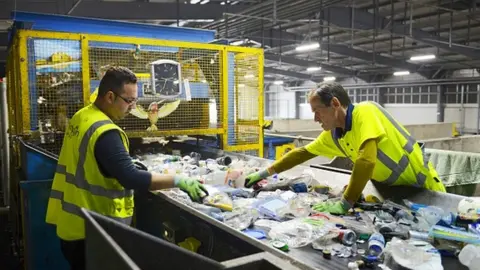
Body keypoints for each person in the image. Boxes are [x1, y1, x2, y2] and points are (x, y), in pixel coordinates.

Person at [45, 66, 207, 270]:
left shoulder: (83, 116)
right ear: (110, 97)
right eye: (129, 101)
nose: (133, 107)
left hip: (73, 225)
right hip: (94, 233)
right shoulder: (105, 132)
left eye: (135, 101)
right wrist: (178, 180)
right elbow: (131, 178)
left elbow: (94, 163)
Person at [245, 82, 446, 214]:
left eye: (317, 111)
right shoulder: (336, 135)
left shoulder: (366, 111)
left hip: (425, 191)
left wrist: (345, 203)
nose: (315, 118)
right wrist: (265, 172)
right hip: (394, 194)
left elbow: (366, 161)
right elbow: (302, 153)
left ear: (334, 103)